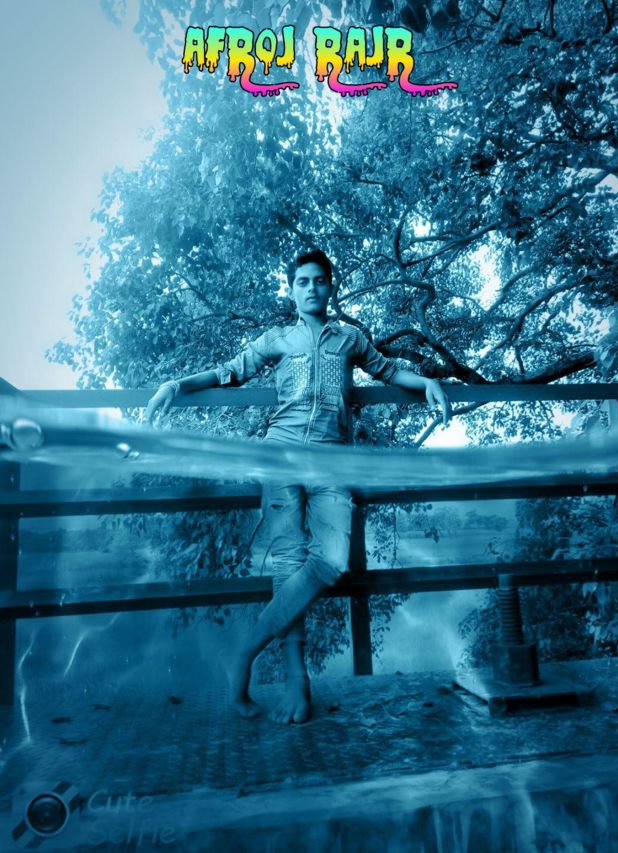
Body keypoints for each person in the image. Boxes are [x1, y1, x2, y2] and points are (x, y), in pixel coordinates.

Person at [145, 249, 450, 724]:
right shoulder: (277, 339)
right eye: (302, 282)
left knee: (331, 560)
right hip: (280, 454)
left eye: (319, 280)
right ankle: (297, 684)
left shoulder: (349, 338)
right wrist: (176, 384)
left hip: (331, 459)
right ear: (291, 291)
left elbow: (388, 370)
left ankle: (243, 653)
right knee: (288, 564)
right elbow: (229, 371)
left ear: (331, 287)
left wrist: (428, 382)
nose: (311, 288)